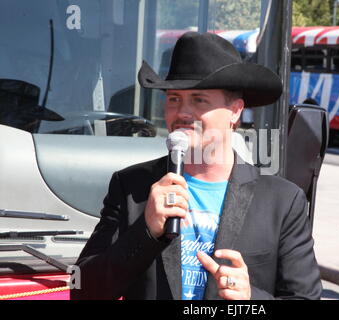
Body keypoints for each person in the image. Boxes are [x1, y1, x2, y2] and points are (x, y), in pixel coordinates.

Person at [71, 32, 322, 300]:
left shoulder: (282, 201)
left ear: (235, 111)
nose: (182, 113)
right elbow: (82, 290)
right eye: (174, 99)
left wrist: (251, 299)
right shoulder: (132, 187)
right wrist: (146, 232)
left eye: (199, 100)